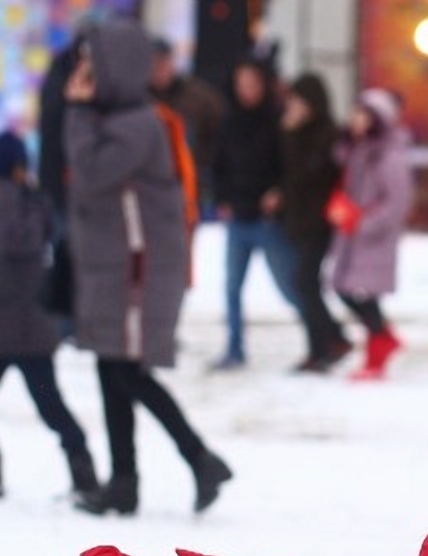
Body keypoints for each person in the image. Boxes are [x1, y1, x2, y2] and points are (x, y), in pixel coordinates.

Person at [62, 19, 232, 516]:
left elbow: (92, 174)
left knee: (127, 372)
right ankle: (125, 481)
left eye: (92, 62)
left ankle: (199, 459)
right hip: (120, 265)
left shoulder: (136, 124)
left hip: (138, 269)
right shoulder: (118, 119)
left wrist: (76, 111)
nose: (84, 72)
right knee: (111, 366)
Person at [0, 130, 98, 504]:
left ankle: (85, 478)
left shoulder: (25, 208)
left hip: (29, 333)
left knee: (51, 408)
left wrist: (8, 193)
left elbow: (18, 242)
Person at [209, 56, 295, 370]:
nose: (247, 91)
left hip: (267, 219)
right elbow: (217, 166)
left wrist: (278, 193)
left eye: (252, 84)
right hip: (238, 218)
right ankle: (234, 348)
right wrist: (223, 199)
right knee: (231, 288)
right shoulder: (229, 122)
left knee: (289, 285)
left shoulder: (277, 121)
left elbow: (289, 167)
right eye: (241, 84)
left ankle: (322, 335)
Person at [331, 87, 415, 381]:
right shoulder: (358, 151)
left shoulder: (388, 156)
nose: (356, 120)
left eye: (364, 115)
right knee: (350, 291)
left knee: (361, 294)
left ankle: (379, 349)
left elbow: (396, 203)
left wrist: (363, 222)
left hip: (372, 241)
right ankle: (381, 342)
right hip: (353, 238)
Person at [278, 72, 352, 373]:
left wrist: (291, 135)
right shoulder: (293, 131)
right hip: (297, 221)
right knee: (305, 286)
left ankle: (328, 343)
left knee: (304, 283)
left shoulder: (327, 134)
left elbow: (309, 175)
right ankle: (324, 344)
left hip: (318, 222)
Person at [148, 38, 227, 220]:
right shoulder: (140, 100)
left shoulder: (201, 97)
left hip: (196, 184)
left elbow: (224, 135)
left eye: (163, 62)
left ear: (172, 62)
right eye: (153, 63)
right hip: (153, 187)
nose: (158, 69)